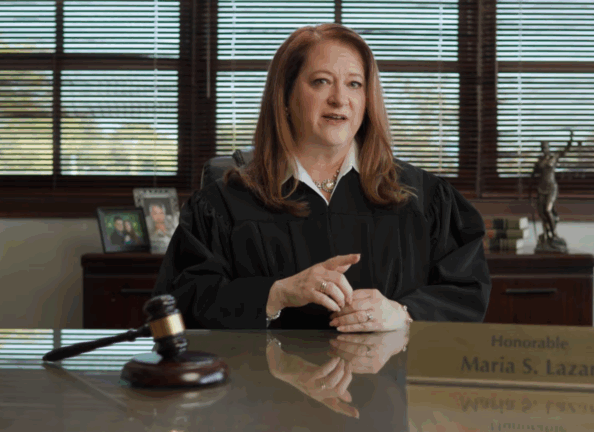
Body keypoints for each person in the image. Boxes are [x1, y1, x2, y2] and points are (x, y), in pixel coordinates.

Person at [153, 23, 491, 331]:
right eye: (321, 81)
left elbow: (466, 289)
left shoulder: (421, 197)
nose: (339, 99)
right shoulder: (224, 204)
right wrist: (276, 294)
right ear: (285, 96)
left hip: (384, 392)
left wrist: (403, 312)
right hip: (264, 393)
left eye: (354, 84)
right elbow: (178, 304)